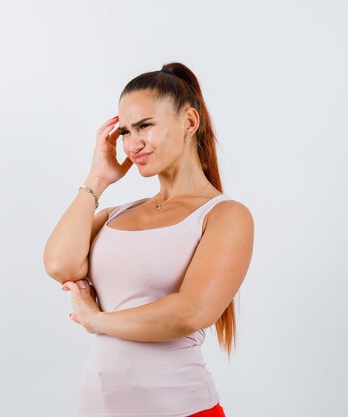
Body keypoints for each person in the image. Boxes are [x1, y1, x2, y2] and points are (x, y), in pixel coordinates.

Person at [43, 62, 254, 417]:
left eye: (145, 126)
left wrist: (97, 322)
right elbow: (59, 265)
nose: (132, 143)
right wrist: (97, 179)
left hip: (183, 409)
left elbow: (191, 312)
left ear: (189, 122)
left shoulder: (224, 215)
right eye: (125, 131)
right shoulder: (115, 214)